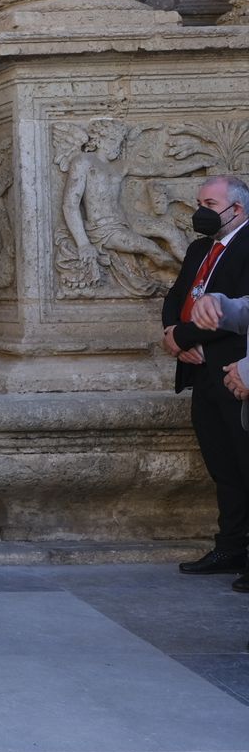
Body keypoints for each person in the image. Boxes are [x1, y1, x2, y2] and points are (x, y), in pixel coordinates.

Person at [162, 175, 249, 582]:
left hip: (236, 373)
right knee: (223, 466)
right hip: (201, 374)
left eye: (210, 204)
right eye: (200, 202)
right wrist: (173, 337)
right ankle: (230, 548)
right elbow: (176, 299)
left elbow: (233, 313)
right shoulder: (200, 248)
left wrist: (183, 335)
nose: (201, 211)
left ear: (238, 209)